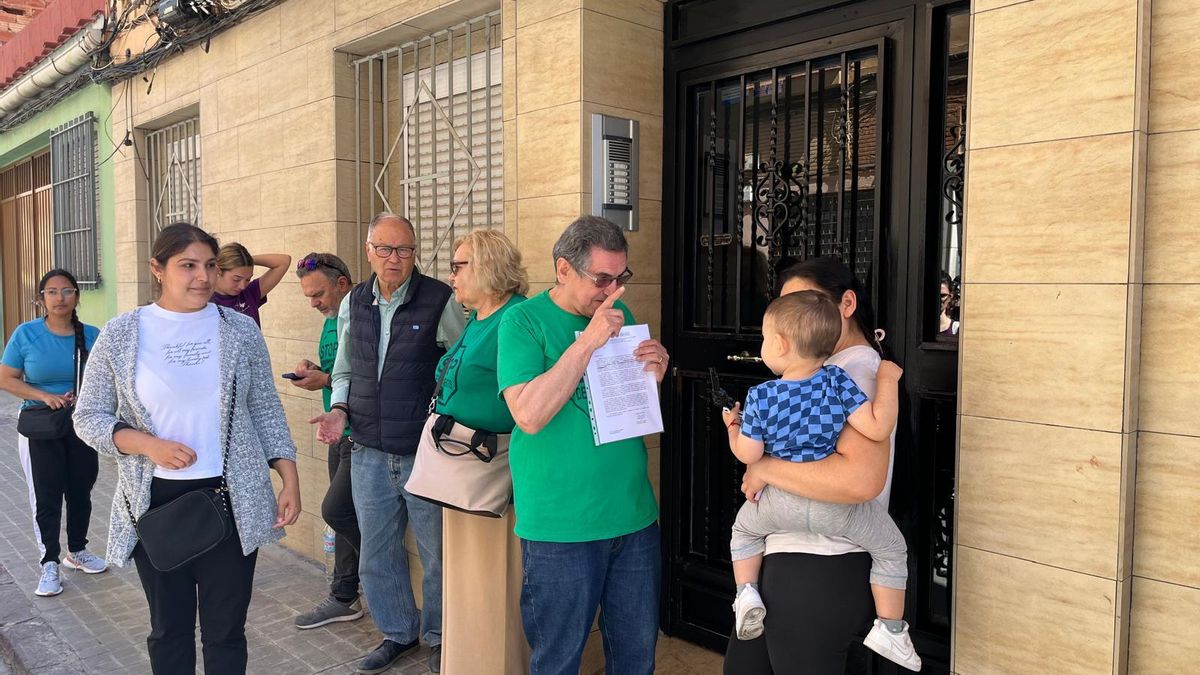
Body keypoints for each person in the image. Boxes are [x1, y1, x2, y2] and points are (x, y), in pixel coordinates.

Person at [73, 223, 301, 674]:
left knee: (226, 632)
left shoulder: (238, 330)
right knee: (169, 631)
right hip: (155, 504)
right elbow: (88, 416)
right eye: (188, 266)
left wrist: (289, 476)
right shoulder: (122, 333)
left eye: (210, 266)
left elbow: (265, 408)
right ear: (157, 269)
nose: (202, 277)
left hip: (231, 500)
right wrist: (146, 445)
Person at [498, 216, 669, 675]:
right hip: (560, 527)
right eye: (602, 279)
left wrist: (654, 374)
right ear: (563, 270)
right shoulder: (522, 321)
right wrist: (588, 342)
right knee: (557, 659)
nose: (614, 291)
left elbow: (625, 407)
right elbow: (529, 415)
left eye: (621, 278)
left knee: (636, 657)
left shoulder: (620, 316)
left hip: (632, 516)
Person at [723, 256, 907, 675]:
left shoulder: (854, 374)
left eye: (807, 301)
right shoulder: (818, 374)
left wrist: (765, 468)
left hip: (823, 559)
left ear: (846, 304)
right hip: (791, 548)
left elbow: (859, 480)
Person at [310, 212, 466, 674]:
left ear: (415, 252)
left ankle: (439, 637)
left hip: (424, 454)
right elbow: (343, 368)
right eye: (385, 249)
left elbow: (459, 366)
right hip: (368, 452)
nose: (395, 258)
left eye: (405, 250)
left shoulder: (440, 299)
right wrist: (339, 409)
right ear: (368, 250)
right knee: (377, 552)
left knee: (438, 554)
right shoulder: (354, 302)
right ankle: (398, 632)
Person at [435, 230, 530, 674]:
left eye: (459, 265)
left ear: (488, 268)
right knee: (468, 589)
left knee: (493, 589)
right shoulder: (475, 317)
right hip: (460, 470)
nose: (451, 276)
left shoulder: (515, 319)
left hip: (493, 473)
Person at [0, 270, 105, 597]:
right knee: (46, 495)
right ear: (41, 298)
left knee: (80, 490)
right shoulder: (26, 334)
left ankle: (78, 550)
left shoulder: (91, 335)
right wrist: (43, 395)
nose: (60, 298)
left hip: (81, 425)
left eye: (67, 291)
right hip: (41, 426)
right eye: (52, 292)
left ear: (77, 296)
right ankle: (49, 562)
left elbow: (107, 378)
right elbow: (7, 378)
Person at [289, 253, 364, 629]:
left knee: (336, 511)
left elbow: (368, 376)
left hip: (360, 434)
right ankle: (344, 595)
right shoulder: (332, 320)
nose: (314, 303)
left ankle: (371, 569)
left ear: (342, 283)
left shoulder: (360, 315)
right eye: (308, 297)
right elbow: (339, 371)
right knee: (340, 516)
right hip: (337, 433)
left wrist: (328, 380)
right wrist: (316, 372)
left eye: (318, 294)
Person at [211, 242, 291, 326]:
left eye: (248, 279)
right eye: (236, 279)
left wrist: (247, 259)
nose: (242, 286)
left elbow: (284, 261)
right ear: (218, 271)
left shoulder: (250, 292)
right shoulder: (204, 301)